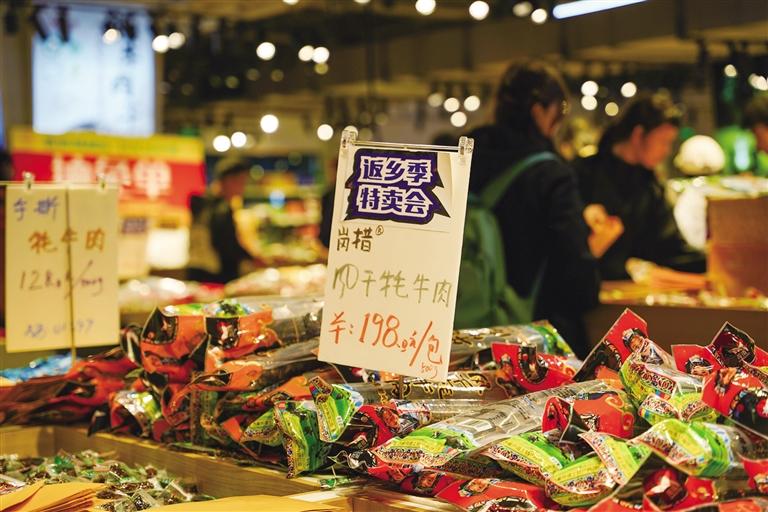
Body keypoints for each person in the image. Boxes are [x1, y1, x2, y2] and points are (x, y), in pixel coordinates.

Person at [467, 61, 600, 358]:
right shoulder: (549, 174)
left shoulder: (465, 159)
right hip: (536, 338)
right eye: (560, 110)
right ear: (539, 110)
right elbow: (577, 278)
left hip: (466, 330)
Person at [574, 93, 705, 281]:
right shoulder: (582, 174)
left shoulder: (650, 186)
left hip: (626, 291)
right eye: (663, 142)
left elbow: (670, 247)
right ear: (638, 135)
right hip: (582, 288)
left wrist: (714, 260)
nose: (667, 151)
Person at [187, 158, 254, 284]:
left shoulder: (200, 202)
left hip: (195, 271)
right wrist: (251, 259)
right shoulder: (221, 208)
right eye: (241, 182)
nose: (243, 188)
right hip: (214, 277)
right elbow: (227, 246)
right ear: (229, 180)